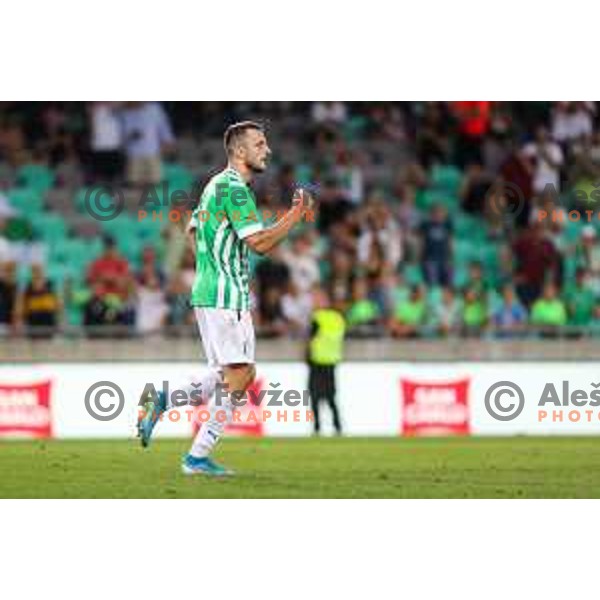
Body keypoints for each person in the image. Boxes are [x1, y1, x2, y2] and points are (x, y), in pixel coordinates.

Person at [137, 121, 313, 476]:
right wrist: (295, 214)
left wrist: (209, 265)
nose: (268, 150)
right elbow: (260, 243)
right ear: (238, 151)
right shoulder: (233, 189)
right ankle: (194, 452)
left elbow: (192, 231)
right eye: (260, 144)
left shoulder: (213, 186)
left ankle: (171, 411)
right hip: (225, 294)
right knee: (241, 373)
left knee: (234, 375)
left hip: (209, 290)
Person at [306, 288, 345, 436]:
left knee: (315, 397)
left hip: (317, 361)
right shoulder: (338, 318)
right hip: (332, 361)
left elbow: (311, 338)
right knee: (331, 397)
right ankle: (338, 427)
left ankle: (317, 428)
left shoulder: (317, 317)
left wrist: (306, 355)